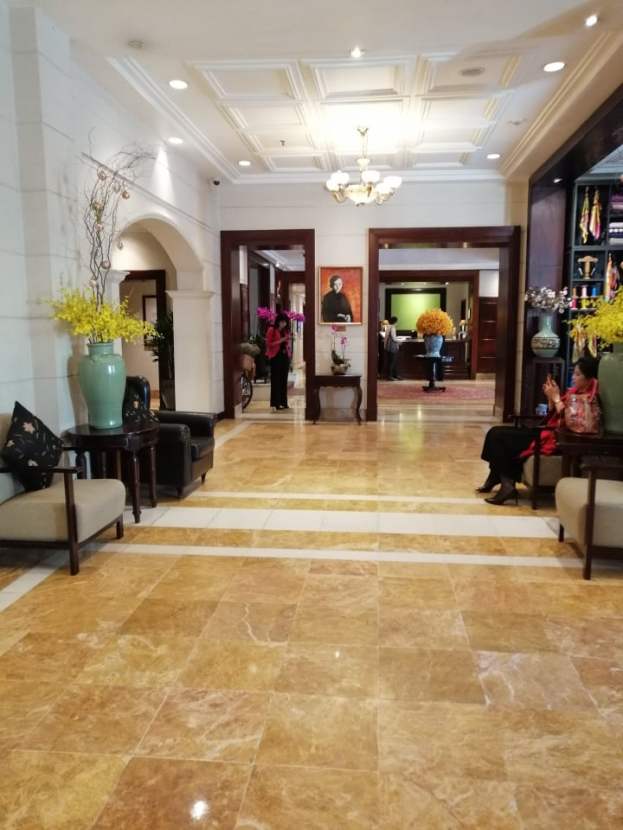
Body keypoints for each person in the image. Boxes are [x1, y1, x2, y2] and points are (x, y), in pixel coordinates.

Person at [478, 356, 600, 505]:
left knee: (498, 436)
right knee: (494, 432)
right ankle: (498, 477)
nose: (573, 377)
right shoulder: (575, 391)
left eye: (578, 374)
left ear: (589, 378)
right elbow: (555, 414)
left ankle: (506, 483)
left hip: (554, 438)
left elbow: (572, 421)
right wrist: (551, 398)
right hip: (547, 431)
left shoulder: (589, 398)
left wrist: (556, 398)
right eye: (574, 373)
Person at [265, 312, 292, 411]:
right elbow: (269, 344)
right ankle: (275, 403)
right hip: (275, 356)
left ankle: (284, 402)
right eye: (282, 322)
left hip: (285, 356)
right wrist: (281, 340)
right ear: (278, 321)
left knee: (284, 379)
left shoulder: (285, 331)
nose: (284, 324)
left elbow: (286, 343)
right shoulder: (271, 330)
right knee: (276, 380)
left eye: (285, 322)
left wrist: (288, 341)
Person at [384, 316, 401, 380]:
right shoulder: (393, 328)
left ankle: (394, 375)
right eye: (397, 322)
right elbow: (394, 338)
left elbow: (386, 338)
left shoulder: (388, 327)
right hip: (392, 347)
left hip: (388, 347)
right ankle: (391, 376)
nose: (397, 323)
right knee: (393, 362)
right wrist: (399, 341)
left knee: (391, 361)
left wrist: (385, 346)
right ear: (395, 322)